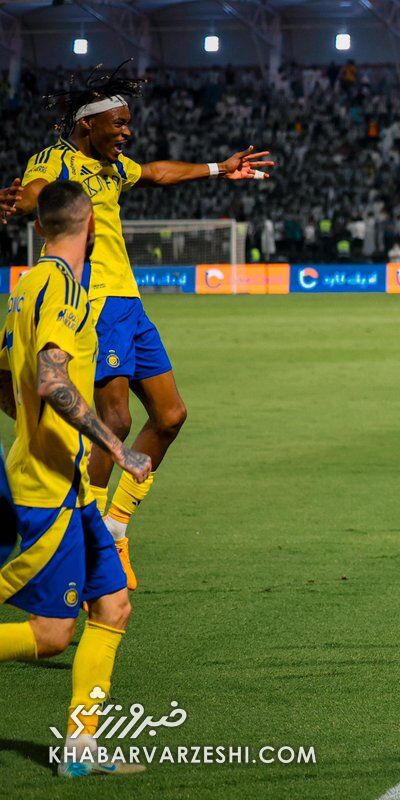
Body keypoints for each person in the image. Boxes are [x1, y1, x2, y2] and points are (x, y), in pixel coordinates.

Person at [0, 64, 272, 589]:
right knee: (117, 421)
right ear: (88, 125)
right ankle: (89, 543)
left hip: (130, 303)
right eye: (119, 123)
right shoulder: (57, 159)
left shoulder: (114, 167)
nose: (127, 131)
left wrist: (219, 168)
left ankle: (115, 526)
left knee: (170, 416)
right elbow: (34, 192)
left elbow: (157, 174)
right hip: (94, 302)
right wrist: (18, 200)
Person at [0, 180, 152, 776]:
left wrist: (31, 426)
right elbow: (51, 379)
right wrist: (118, 448)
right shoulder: (64, 286)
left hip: (70, 485)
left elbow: (6, 378)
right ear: (92, 228)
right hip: (50, 490)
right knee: (50, 636)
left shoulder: (24, 285)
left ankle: (80, 753)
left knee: (112, 607)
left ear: (40, 227)